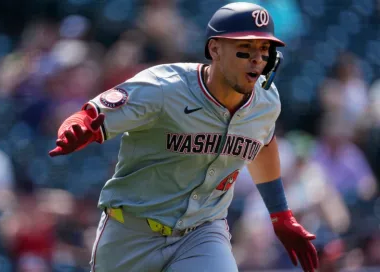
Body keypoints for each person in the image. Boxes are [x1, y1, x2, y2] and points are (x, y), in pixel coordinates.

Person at [49, 2, 319, 272]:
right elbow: (92, 115)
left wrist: (280, 214)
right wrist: (79, 125)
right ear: (215, 49)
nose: (257, 60)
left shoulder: (266, 100)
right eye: (245, 49)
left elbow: (262, 144)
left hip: (202, 233)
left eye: (264, 50)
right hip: (131, 231)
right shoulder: (165, 87)